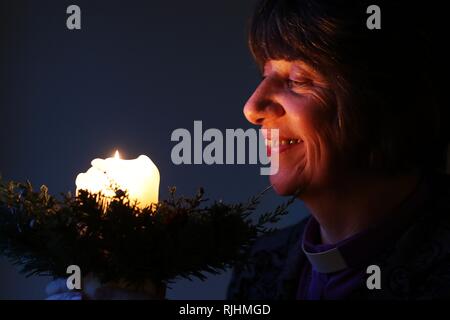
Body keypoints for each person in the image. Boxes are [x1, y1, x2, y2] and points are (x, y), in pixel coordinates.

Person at [47, 0, 450, 300]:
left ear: (382, 100)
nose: (252, 107)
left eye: (297, 79)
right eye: (265, 75)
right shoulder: (262, 266)